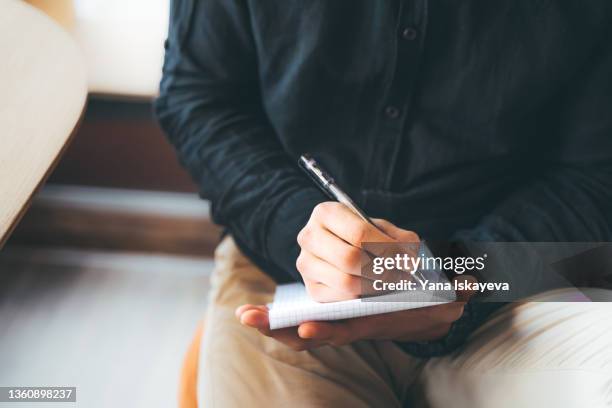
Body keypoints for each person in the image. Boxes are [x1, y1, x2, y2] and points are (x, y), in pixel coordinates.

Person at [155, 1, 612, 406]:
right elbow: (200, 97)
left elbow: (594, 174)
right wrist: (303, 229)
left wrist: (460, 277)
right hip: (291, 276)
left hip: (514, 279)